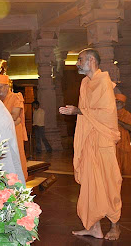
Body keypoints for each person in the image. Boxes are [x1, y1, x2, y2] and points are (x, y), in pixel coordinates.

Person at [59, 48, 122, 240]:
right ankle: (94, 227)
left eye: (80, 60)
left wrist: (77, 111)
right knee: (89, 184)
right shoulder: (85, 83)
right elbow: (87, 110)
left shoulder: (103, 82)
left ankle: (115, 226)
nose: (77, 64)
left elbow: (106, 113)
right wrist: (78, 111)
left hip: (103, 140)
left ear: (91, 60)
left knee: (110, 182)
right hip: (89, 139)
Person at [0, 74, 28, 180]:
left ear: (7, 87)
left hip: (13, 132)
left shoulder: (16, 97)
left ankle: (19, 180)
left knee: (16, 155)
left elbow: (14, 116)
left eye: (0, 86)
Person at [115, 93, 131, 175]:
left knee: (126, 169)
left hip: (124, 143)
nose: (116, 103)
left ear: (123, 104)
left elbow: (130, 127)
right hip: (113, 144)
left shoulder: (127, 114)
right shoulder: (110, 113)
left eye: (119, 102)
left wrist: (118, 122)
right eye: (115, 101)